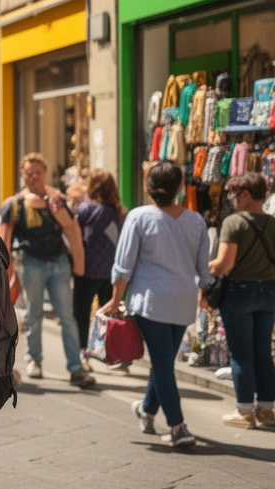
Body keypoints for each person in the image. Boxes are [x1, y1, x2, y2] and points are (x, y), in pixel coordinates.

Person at [102, 161, 207, 448]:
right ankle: (148, 413)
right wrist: (206, 293)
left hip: (151, 301)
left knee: (162, 363)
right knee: (164, 362)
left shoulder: (139, 217)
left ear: (149, 187)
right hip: (183, 302)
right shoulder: (196, 221)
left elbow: (124, 265)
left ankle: (176, 425)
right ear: (180, 188)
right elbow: (203, 269)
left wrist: (114, 300)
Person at [0, 153, 94, 386]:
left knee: (67, 317)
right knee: (34, 315)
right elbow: (3, 239)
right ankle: (34, 361)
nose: (33, 177)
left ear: (45, 173)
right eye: (29, 172)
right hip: (31, 264)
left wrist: (79, 266)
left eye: (38, 172)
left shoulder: (57, 200)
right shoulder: (14, 204)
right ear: (22, 174)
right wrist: (4, 273)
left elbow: (72, 229)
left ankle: (75, 367)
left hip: (59, 263)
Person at [206, 172, 275, 429]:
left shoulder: (234, 223)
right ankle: (267, 410)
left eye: (234, 195)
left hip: (239, 292)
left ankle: (245, 411)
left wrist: (209, 267)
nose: (232, 201)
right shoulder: (273, 223)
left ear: (245, 194)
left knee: (241, 355)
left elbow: (225, 264)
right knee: (264, 354)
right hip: (268, 292)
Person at [75, 170, 127, 372]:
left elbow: (75, 236)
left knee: (81, 313)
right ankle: (115, 355)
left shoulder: (86, 209)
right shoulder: (121, 212)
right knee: (111, 315)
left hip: (87, 271)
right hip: (112, 274)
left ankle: (82, 353)